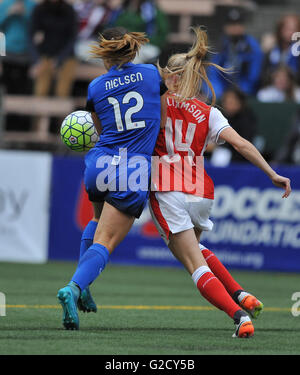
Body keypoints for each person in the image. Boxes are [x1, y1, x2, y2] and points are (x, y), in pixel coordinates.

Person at [150, 27, 291, 338]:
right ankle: (241, 294)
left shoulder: (156, 103)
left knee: (193, 264)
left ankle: (239, 316)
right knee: (196, 250)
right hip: (201, 190)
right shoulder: (208, 112)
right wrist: (271, 173)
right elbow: (241, 144)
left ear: (169, 76)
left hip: (166, 186)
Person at [57, 26, 167, 330]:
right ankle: (74, 287)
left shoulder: (95, 87)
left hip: (99, 163)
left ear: (106, 54)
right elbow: (163, 120)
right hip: (132, 169)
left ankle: (85, 286)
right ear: (133, 50)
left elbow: (100, 130)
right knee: (106, 242)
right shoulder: (150, 74)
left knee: (96, 223)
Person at [208, 7, 263, 99]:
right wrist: (219, 94)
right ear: (225, 27)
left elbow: (253, 76)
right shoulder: (220, 45)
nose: (234, 28)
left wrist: (238, 94)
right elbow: (213, 72)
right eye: (231, 24)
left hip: (244, 94)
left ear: (243, 26)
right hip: (222, 92)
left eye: (238, 24)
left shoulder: (252, 47)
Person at [29, 0, 78, 98]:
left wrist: (59, 59)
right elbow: (31, 36)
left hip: (66, 57)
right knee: (40, 91)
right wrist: (36, 60)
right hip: (45, 56)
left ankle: (61, 113)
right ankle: (40, 112)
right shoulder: (39, 9)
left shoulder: (69, 10)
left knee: (62, 92)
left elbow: (73, 38)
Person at [0, 0, 35, 94]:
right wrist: (9, 13)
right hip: (7, 49)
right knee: (6, 84)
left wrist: (25, 14)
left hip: (26, 50)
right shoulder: (5, 4)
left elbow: (36, 26)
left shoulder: (32, 5)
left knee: (23, 85)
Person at [261, 14, 300, 86]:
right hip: (273, 88)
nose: (290, 32)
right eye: (287, 28)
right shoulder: (272, 48)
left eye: (294, 29)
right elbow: (263, 73)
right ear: (280, 29)